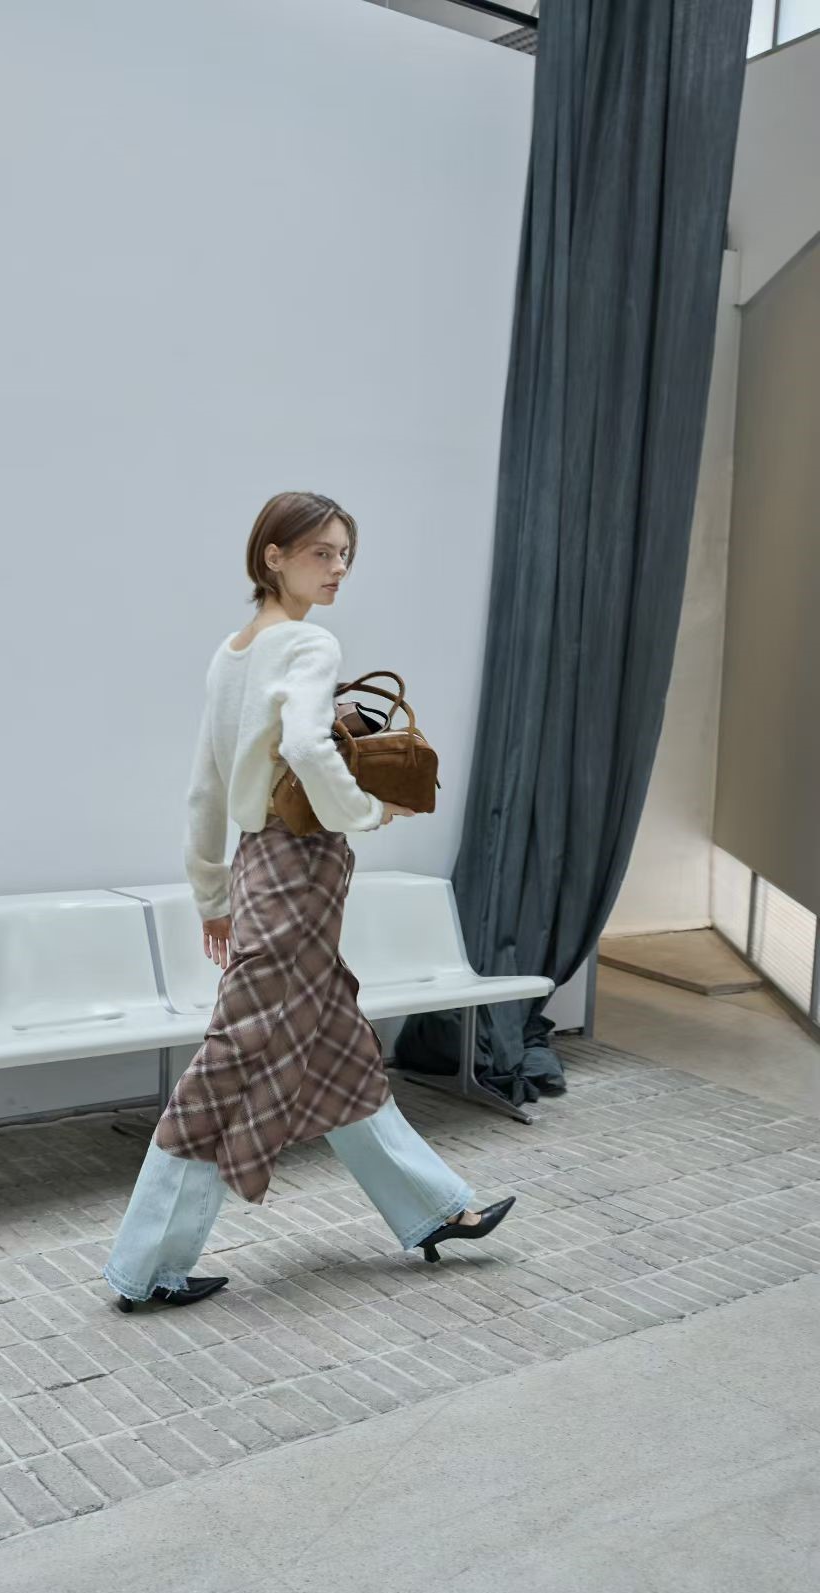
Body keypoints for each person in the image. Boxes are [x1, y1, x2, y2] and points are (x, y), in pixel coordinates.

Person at [102, 492, 515, 1311]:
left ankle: (435, 1209)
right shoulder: (308, 644)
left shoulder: (231, 655)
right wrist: (366, 811)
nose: (337, 570)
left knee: (336, 1048)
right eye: (321, 553)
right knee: (230, 1060)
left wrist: (213, 894)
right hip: (303, 865)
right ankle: (143, 1267)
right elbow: (303, 744)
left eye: (345, 555)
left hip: (259, 864)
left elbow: (205, 788)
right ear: (274, 557)